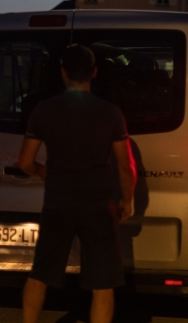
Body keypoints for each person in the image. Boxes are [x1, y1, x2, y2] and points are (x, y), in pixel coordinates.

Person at [18, 44, 137, 323]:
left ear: (63, 73)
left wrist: (43, 171)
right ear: (93, 73)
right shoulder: (110, 113)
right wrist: (127, 200)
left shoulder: (44, 111)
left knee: (40, 274)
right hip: (99, 205)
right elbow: (125, 164)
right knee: (102, 282)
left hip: (58, 202)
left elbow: (24, 162)